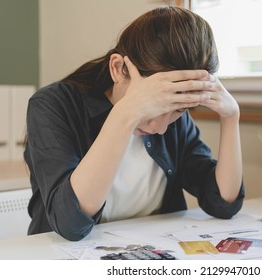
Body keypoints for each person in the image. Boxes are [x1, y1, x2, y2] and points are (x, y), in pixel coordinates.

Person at [24, 5, 245, 241]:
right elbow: (70, 224)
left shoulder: (175, 121)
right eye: (155, 106)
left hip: (151, 252)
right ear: (118, 69)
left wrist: (231, 118)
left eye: (178, 111)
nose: (161, 128)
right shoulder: (52, 106)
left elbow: (223, 203)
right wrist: (125, 114)